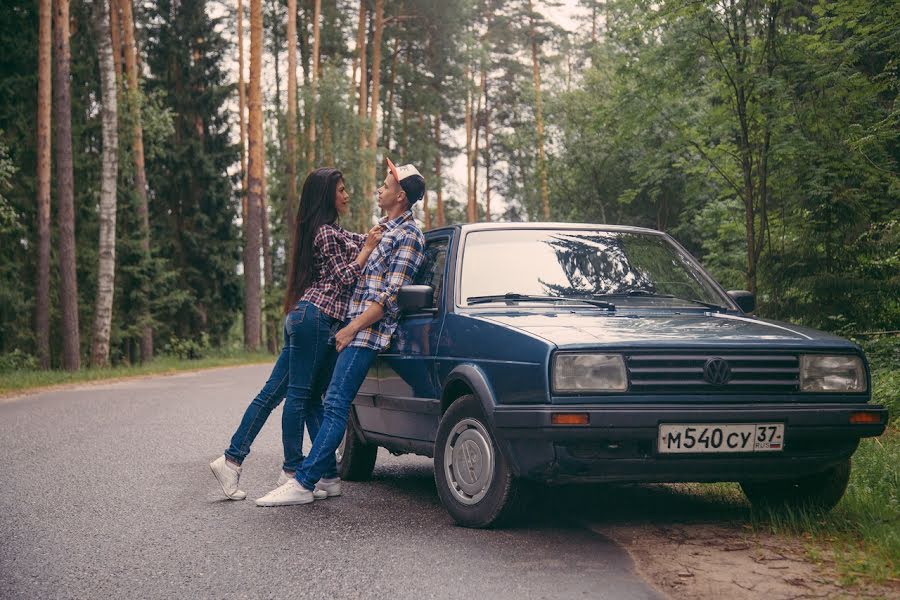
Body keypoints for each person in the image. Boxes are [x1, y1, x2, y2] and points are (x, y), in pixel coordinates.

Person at [255, 159, 426, 506]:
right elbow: (344, 264)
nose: (379, 188)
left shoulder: (410, 237)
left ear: (401, 197)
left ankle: (303, 482)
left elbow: (389, 297)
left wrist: (350, 329)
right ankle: (327, 478)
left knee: (335, 405)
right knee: (321, 401)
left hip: (366, 334)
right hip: (347, 329)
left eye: (386, 185)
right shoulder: (382, 230)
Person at [209, 167, 382, 500]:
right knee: (300, 396)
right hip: (315, 319)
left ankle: (232, 461)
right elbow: (345, 278)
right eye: (342, 190)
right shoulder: (323, 233)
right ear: (326, 195)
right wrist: (367, 250)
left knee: (274, 394)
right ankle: (291, 469)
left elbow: (368, 239)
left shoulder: (334, 231)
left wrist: (382, 231)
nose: (347, 195)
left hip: (308, 318)